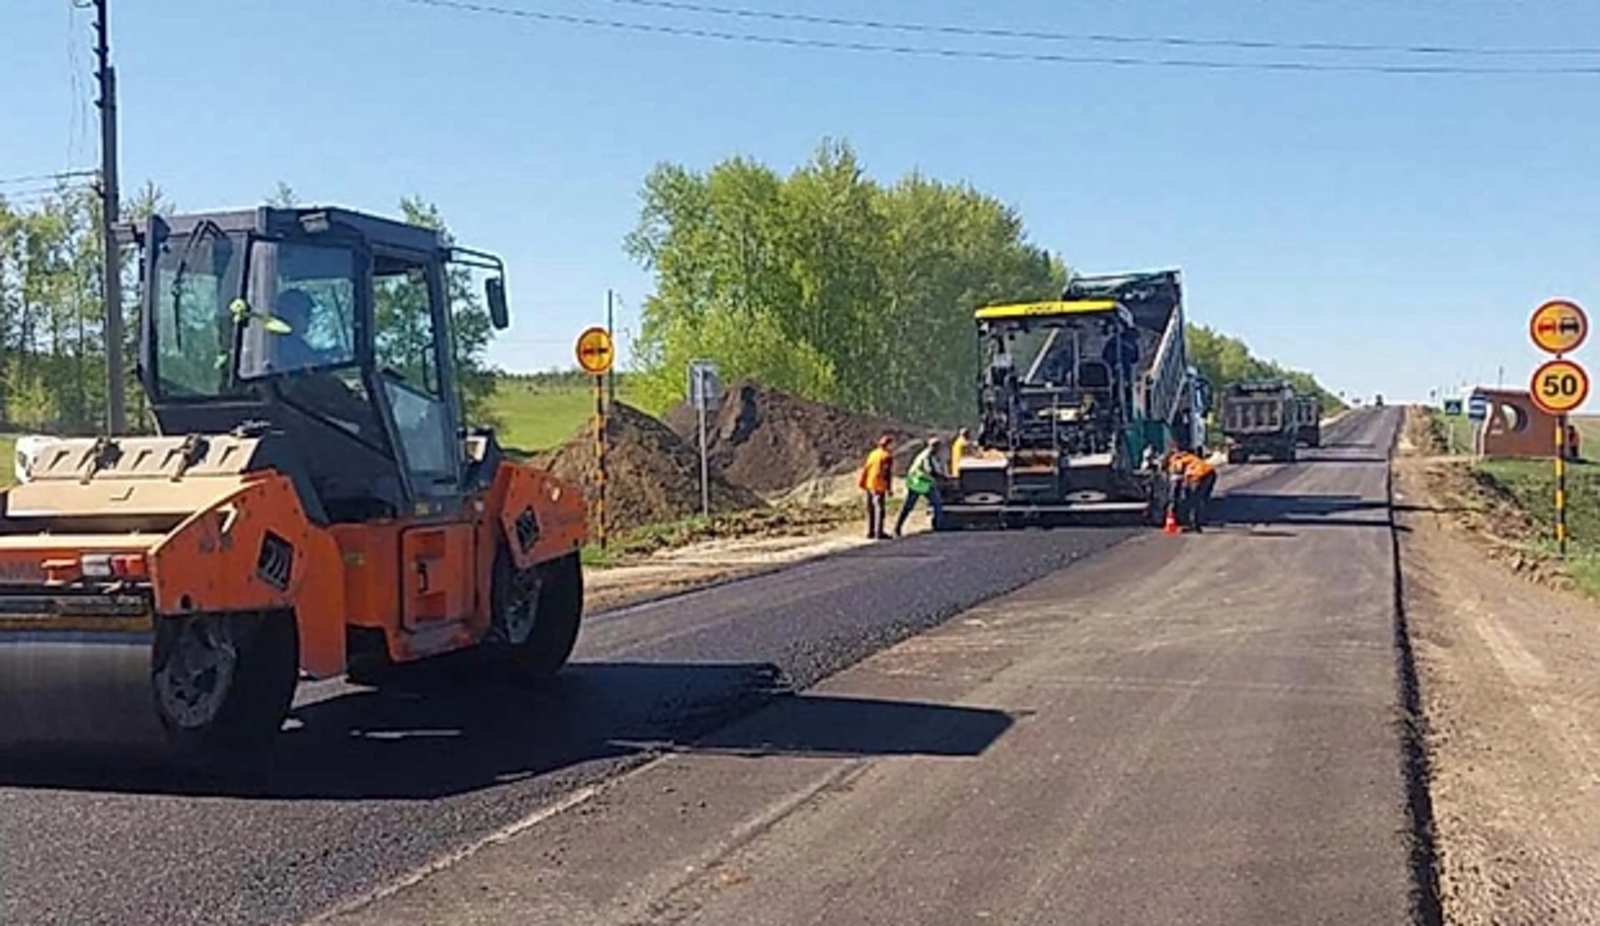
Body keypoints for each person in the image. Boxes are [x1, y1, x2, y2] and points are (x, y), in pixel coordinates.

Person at [894, 435, 946, 537]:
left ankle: (938, 526)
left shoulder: (930, 456)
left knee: (937, 503)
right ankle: (897, 528)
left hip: (923, 484)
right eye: (938, 447)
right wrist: (939, 478)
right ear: (934, 447)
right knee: (910, 506)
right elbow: (929, 471)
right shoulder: (926, 457)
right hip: (918, 483)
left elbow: (936, 469)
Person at [859, 435, 894, 540]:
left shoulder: (873, 454)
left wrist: (863, 483)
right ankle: (879, 533)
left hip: (869, 484)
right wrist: (889, 488)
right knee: (880, 509)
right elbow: (887, 473)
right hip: (879, 485)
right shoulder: (886, 456)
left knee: (871, 509)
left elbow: (866, 468)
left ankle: (870, 532)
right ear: (888, 444)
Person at [1181, 447, 1218, 532]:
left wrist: (1188, 485)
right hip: (1209, 474)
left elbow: (1193, 477)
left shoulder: (1184, 463)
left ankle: (1195, 524)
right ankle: (1196, 522)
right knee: (1197, 499)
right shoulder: (1188, 459)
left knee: (1194, 500)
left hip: (1204, 476)